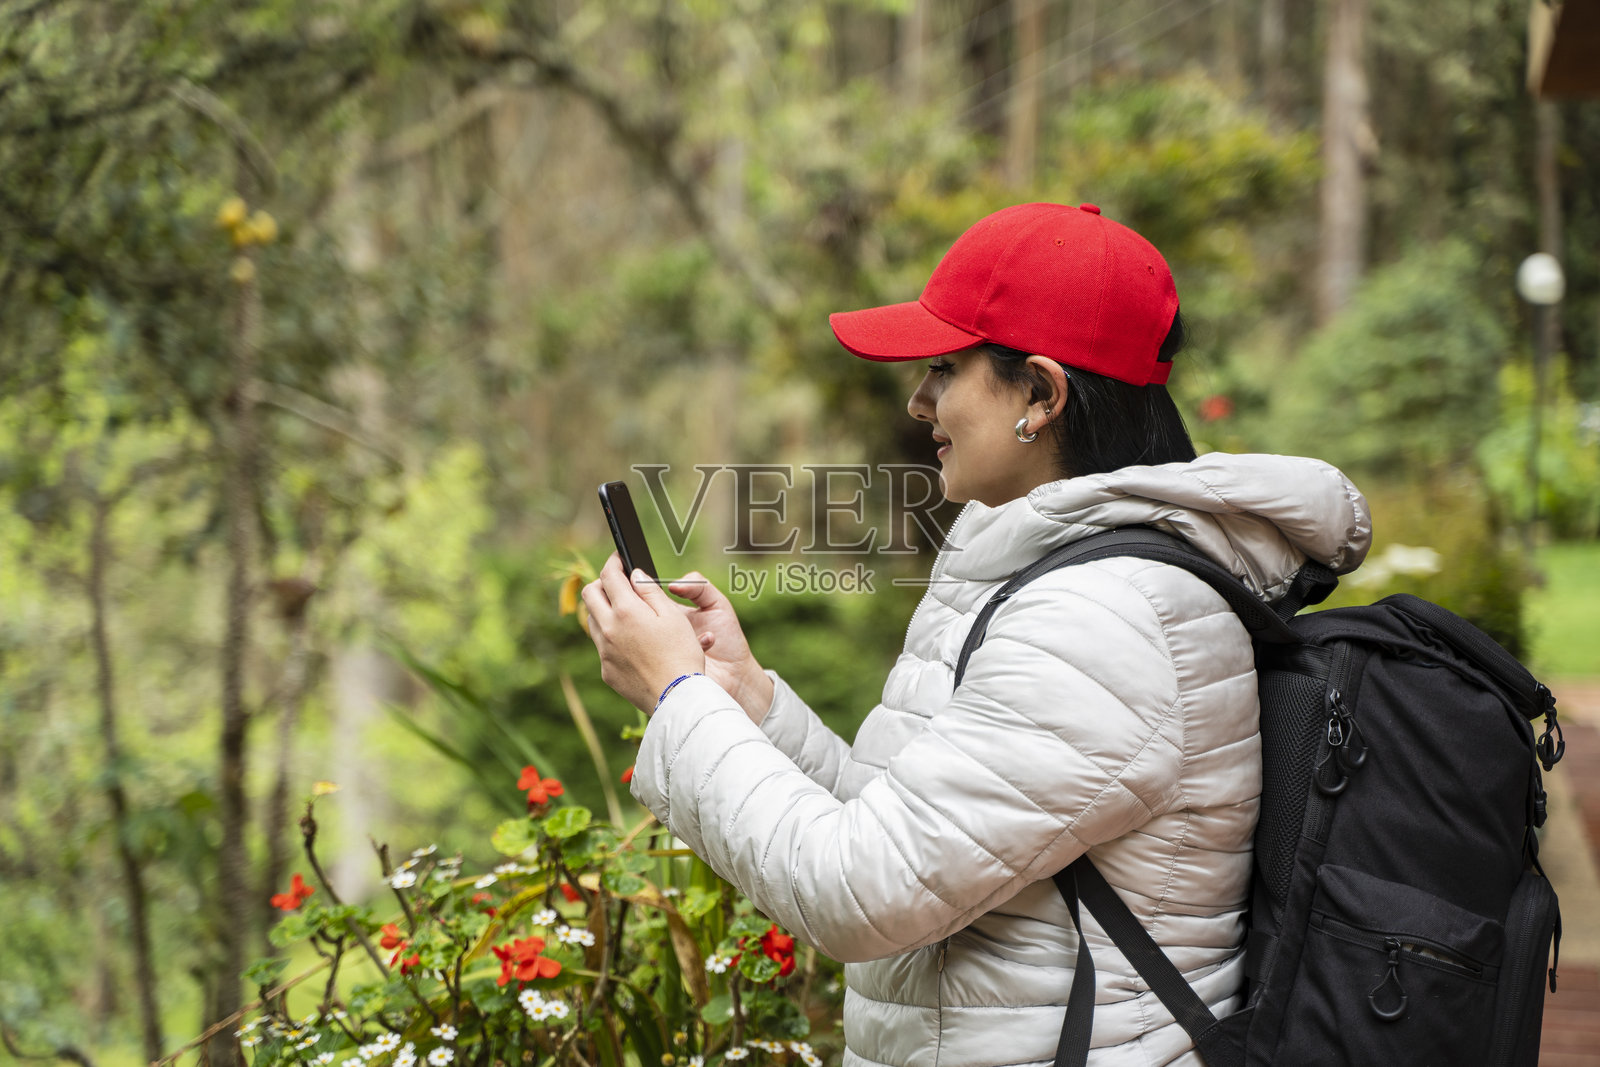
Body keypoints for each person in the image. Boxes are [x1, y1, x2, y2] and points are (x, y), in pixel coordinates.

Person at [581, 202, 1371, 1066]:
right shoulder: (1046, 569)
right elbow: (912, 832)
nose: (920, 401)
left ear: (1041, 393)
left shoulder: (1106, 618)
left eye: (944, 368)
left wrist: (676, 696)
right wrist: (746, 697)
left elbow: (860, 891)